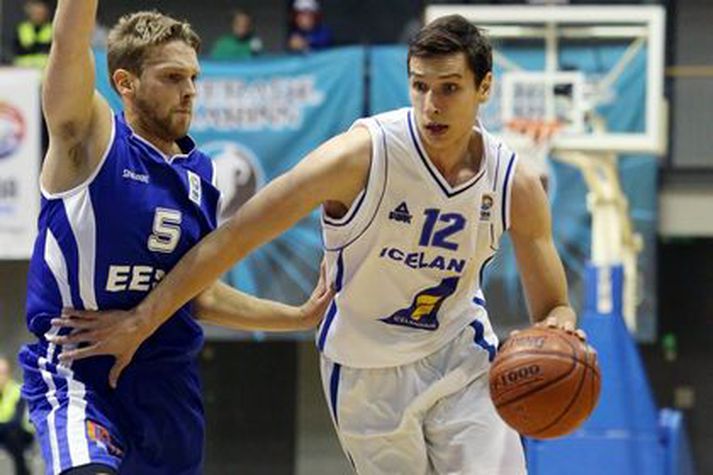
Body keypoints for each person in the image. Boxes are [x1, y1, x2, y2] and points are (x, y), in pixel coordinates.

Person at [52, 15, 588, 474]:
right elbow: (234, 237)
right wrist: (141, 320)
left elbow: (552, 305)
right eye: (420, 86)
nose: (431, 105)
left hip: (459, 356)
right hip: (364, 367)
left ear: (484, 87)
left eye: (449, 88)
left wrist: (561, 325)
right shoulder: (361, 156)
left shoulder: (514, 184)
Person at [18, 4, 332, 475]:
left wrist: (298, 316)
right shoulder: (90, 138)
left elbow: (198, 294)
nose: (189, 91)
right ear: (125, 83)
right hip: (81, 372)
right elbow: (67, 45)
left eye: (193, 78)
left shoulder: (199, 174)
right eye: (171, 77)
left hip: (168, 384)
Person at [0, 356, 33, 475]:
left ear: (9, 374)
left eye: (2, 373)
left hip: (21, 433)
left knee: (12, 433)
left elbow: (17, 421)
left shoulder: (18, 391)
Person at [12, 0, 53, 69]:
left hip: (44, 68)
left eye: (40, 12)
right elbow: (16, 50)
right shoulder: (22, 28)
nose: (37, 14)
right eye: (35, 11)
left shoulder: (51, 29)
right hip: (23, 69)